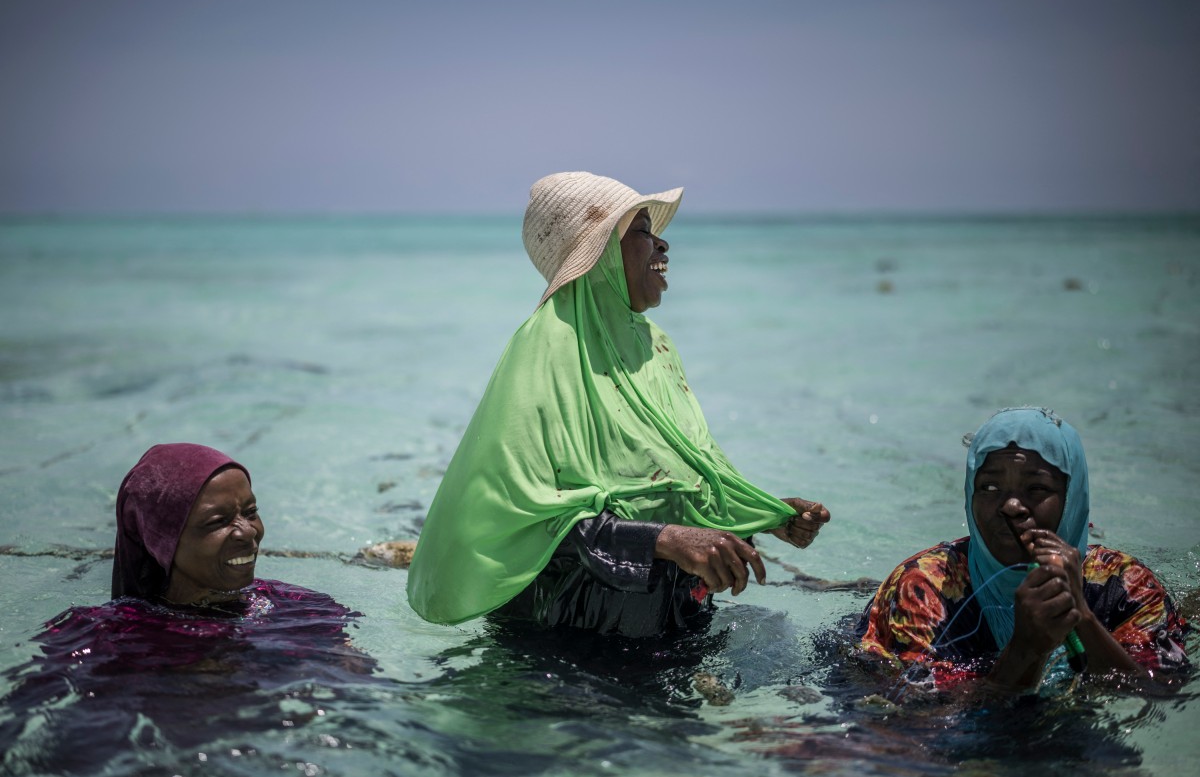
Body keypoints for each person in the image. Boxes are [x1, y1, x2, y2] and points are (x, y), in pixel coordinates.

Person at [407, 171, 831, 637]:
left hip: (665, 623)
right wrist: (665, 540)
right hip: (563, 644)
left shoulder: (653, 347)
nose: (663, 245)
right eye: (644, 231)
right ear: (603, 252)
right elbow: (516, 524)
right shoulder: (545, 351)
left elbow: (678, 478)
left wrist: (764, 515)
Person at [0, 443, 374, 774]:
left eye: (250, 511)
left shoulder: (306, 609)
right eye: (219, 522)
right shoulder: (97, 639)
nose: (247, 532)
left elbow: (366, 698)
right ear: (161, 538)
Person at [856, 407, 1190, 692]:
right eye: (988, 487)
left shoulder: (1122, 585)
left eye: (1037, 488)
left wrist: (1083, 618)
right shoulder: (923, 588)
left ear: (1073, 500)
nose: (1011, 505)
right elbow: (933, 722)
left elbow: (1161, 691)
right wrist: (1027, 646)